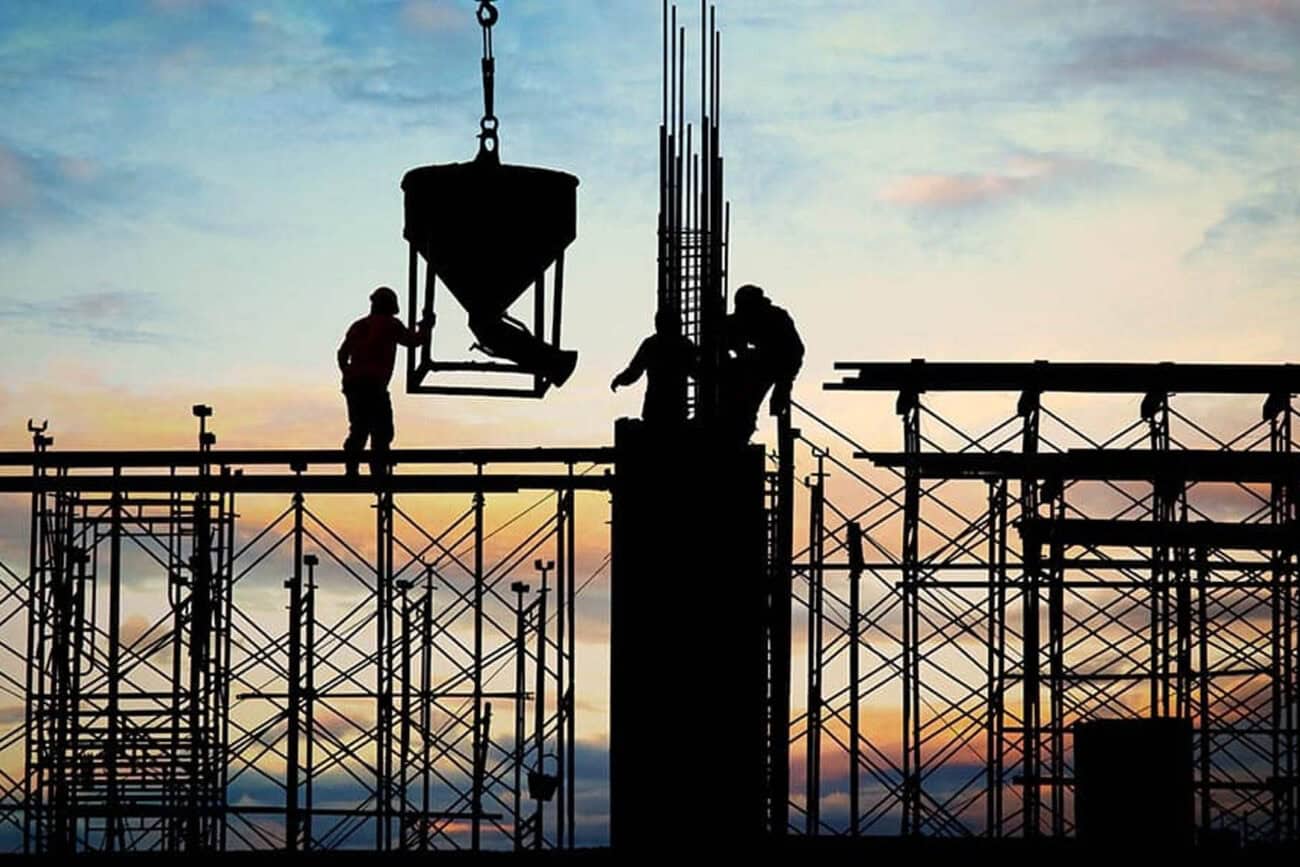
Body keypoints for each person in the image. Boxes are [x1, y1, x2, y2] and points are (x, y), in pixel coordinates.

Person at [337, 286, 433, 477]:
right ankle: (378, 474)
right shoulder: (390, 325)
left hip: (354, 386)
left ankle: (351, 471)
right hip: (373, 386)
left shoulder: (358, 326)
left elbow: (342, 354)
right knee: (381, 430)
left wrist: (349, 373)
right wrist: (427, 326)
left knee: (359, 428)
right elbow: (414, 340)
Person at [723, 284, 804, 441]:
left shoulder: (776, 319)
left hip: (775, 367)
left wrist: (783, 386)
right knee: (738, 408)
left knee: (744, 410)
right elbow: (730, 334)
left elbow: (794, 353)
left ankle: (737, 436)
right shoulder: (745, 317)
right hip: (764, 367)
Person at [610, 309, 698, 425]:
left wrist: (619, 379)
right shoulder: (684, 345)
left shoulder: (651, 344)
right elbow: (696, 372)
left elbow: (634, 371)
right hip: (676, 408)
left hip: (654, 408)